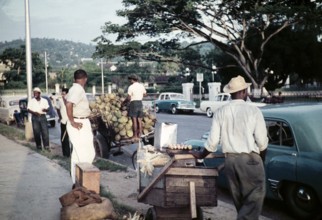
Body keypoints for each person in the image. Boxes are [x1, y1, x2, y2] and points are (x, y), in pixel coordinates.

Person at [191, 75, 268, 220]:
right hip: (251, 159)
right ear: (244, 92)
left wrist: (201, 155)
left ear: (231, 93)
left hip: (231, 162)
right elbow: (262, 142)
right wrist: (261, 161)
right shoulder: (253, 111)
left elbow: (212, 142)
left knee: (241, 203)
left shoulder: (221, 112)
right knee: (253, 201)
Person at [66, 69, 95, 185]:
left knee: (78, 155)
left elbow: (66, 100)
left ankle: (77, 182)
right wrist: (72, 121)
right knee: (86, 154)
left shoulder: (75, 89)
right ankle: (83, 183)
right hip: (78, 123)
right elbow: (69, 104)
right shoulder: (77, 89)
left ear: (74, 79)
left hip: (80, 120)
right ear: (85, 79)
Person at [124, 74, 147, 141]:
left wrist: (123, 102)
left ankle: (135, 136)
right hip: (140, 103)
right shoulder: (141, 86)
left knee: (134, 120)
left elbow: (128, 98)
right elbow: (145, 94)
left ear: (132, 80)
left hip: (133, 103)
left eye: (130, 80)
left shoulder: (131, 87)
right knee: (139, 120)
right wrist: (140, 95)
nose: (129, 81)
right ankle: (139, 135)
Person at [27, 87, 50, 151]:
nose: (35, 94)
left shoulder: (44, 100)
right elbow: (28, 109)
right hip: (35, 117)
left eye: (36, 93)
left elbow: (48, 108)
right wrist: (34, 113)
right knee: (36, 132)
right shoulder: (31, 101)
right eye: (34, 93)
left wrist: (45, 110)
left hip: (43, 117)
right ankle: (39, 146)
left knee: (45, 132)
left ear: (39, 93)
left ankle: (46, 146)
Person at [56, 87, 71, 157]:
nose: (63, 95)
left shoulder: (70, 100)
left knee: (71, 138)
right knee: (64, 138)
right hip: (64, 122)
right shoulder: (60, 101)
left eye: (64, 94)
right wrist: (60, 117)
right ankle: (65, 153)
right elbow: (58, 109)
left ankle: (71, 153)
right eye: (62, 94)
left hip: (70, 122)